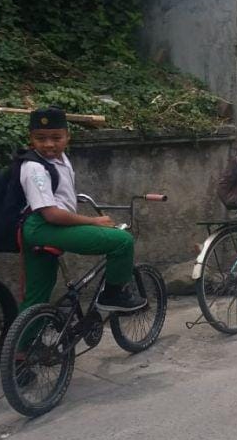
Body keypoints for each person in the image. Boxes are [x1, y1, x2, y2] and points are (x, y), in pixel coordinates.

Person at [19, 107, 145, 313]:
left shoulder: (61, 160)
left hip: (42, 228)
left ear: (67, 137)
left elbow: (59, 195)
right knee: (122, 241)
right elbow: (51, 213)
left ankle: (24, 342)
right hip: (45, 227)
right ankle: (113, 295)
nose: (49, 144)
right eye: (41, 138)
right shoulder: (35, 168)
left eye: (56, 137)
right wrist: (93, 221)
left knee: (38, 292)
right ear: (31, 138)